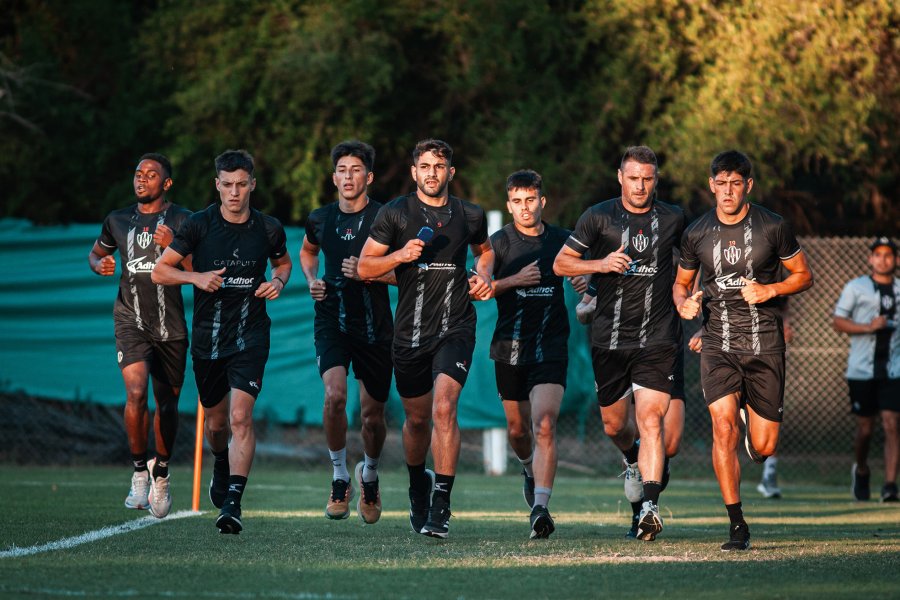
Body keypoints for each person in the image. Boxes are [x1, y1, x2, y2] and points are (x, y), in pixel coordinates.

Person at [674, 150, 813, 551]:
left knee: (764, 447)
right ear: (711, 185)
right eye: (722, 184)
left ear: (748, 185)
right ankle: (737, 524)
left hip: (764, 343)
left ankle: (753, 428)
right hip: (717, 341)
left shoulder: (774, 226)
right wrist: (684, 303)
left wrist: (771, 289)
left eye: (736, 183)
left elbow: (804, 275)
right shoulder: (696, 233)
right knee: (722, 428)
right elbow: (682, 284)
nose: (728, 191)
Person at [358, 139, 494, 539]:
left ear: (450, 172)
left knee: (444, 408)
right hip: (409, 334)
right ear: (414, 171)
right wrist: (398, 257)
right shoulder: (395, 213)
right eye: (425, 166)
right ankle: (418, 482)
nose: (432, 172)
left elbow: (484, 252)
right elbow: (366, 267)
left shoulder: (469, 214)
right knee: (417, 420)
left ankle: (441, 504)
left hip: (455, 327)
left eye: (439, 166)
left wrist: (483, 275)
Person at [152, 149, 292, 534]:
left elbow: (283, 263)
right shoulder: (198, 225)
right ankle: (220, 460)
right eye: (227, 185)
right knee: (216, 424)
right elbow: (161, 272)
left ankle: (232, 504)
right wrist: (196, 278)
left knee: (240, 417)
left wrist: (278, 282)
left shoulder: (268, 228)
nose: (234, 192)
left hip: (251, 334)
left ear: (252, 185)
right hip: (208, 339)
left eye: (241, 185)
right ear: (217, 185)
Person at [554, 145, 685, 542]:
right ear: (620, 177)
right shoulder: (598, 217)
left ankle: (648, 508)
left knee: (651, 422)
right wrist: (600, 265)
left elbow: (692, 264)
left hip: (657, 338)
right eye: (633, 178)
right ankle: (632, 461)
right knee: (615, 426)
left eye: (647, 179)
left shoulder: (675, 218)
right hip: (609, 341)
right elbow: (562, 264)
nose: (640, 185)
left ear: (655, 179)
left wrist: (692, 296)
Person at [88, 153, 192, 519]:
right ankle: (137, 472)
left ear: (166, 184)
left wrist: (172, 249)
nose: (142, 179)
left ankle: (160, 472)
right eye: (138, 173)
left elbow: (199, 270)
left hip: (171, 326)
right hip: (129, 319)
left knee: (166, 404)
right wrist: (100, 264)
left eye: (151, 175)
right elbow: (96, 253)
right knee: (135, 391)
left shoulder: (183, 220)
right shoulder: (117, 220)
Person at [299, 141, 395, 523]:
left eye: (356, 170)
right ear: (333, 176)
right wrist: (311, 280)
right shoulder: (320, 218)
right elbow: (308, 253)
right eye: (342, 169)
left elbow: (404, 271)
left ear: (368, 177)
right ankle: (340, 475)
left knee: (372, 417)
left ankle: (368, 474)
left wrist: (371, 272)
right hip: (332, 321)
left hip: (375, 327)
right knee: (334, 396)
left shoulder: (387, 218)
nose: (348, 176)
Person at [489, 169, 586, 539]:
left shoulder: (562, 240)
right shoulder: (498, 244)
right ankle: (528, 469)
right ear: (508, 204)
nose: (525, 207)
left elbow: (580, 273)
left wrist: (582, 281)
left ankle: (541, 508)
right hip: (509, 348)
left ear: (541, 202)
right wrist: (514, 280)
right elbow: (478, 289)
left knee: (544, 424)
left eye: (531, 200)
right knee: (518, 430)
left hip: (550, 347)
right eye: (517, 201)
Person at [576, 275, 687, 538]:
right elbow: (582, 309)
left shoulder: (672, 256)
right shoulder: (611, 260)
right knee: (618, 427)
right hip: (618, 353)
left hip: (660, 351)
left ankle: (648, 505)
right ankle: (636, 479)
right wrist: (588, 308)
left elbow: (688, 292)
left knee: (668, 443)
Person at [833, 236, 900, 502]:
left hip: (894, 370)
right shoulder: (856, 287)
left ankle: (890, 485)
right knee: (865, 429)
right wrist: (868, 327)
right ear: (870, 258)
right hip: (862, 370)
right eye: (878, 254)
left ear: (896, 260)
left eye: (889, 255)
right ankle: (861, 469)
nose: (883, 259)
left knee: (892, 423)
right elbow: (838, 321)